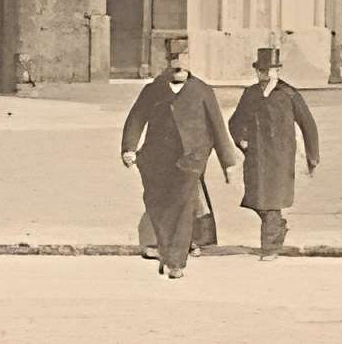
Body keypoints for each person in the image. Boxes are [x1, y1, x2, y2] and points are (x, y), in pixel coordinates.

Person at [119, 35, 235, 279]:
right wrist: (129, 148)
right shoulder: (154, 89)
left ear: (191, 61)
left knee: (183, 210)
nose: (178, 64)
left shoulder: (202, 90)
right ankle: (165, 251)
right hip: (156, 160)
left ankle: (175, 262)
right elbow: (136, 118)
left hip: (190, 161)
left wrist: (228, 162)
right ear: (166, 61)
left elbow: (217, 126)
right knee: (157, 205)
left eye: (183, 58)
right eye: (173, 58)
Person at [233, 46, 322, 259]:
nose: (264, 75)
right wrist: (241, 140)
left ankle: (270, 248)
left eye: (269, 70)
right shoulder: (250, 94)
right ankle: (278, 228)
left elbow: (308, 125)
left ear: (277, 72)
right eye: (260, 71)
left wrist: (312, 156)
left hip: (280, 158)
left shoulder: (289, 94)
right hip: (256, 157)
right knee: (257, 201)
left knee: (272, 202)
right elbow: (235, 121)